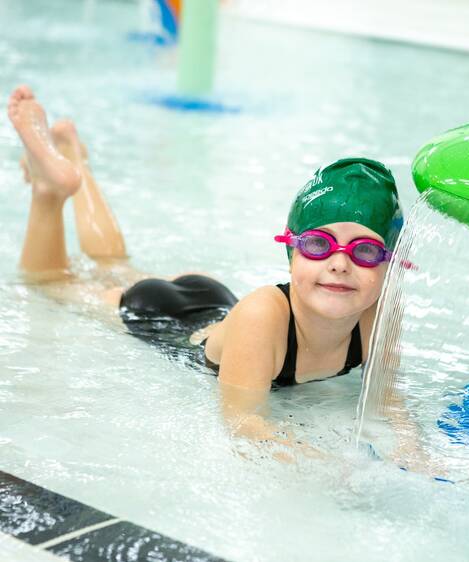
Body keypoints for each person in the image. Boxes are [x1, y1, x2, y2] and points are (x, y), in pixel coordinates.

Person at [8, 85, 408, 451]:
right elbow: (244, 424)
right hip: (166, 320)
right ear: (292, 253)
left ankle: (76, 162)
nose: (340, 264)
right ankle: (49, 192)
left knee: (115, 264)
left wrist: (419, 458)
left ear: (389, 268)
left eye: (366, 252)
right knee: (52, 284)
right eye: (319, 245)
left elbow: (392, 408)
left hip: (215, 307)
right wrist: (320, 466)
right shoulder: (263, 315)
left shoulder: (379, 317)